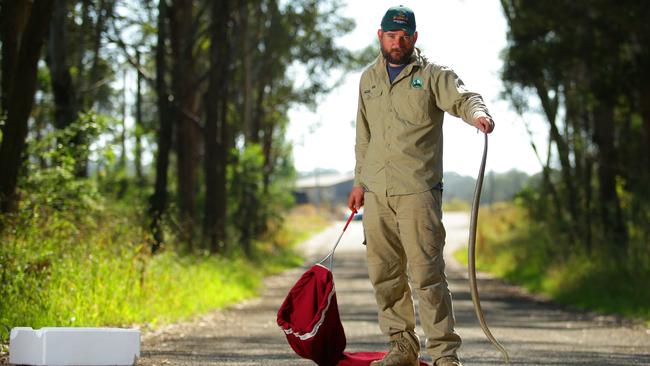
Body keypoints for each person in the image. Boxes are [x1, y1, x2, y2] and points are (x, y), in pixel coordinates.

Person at [347, 5, 495, 366]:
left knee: (428, 277)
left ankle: (445, 356)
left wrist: (479, 115)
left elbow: (463, 97)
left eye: (404, 36)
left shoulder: (432, 75)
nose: (397, 43)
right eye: (391, 36)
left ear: (414, 37)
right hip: (377, 195)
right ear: (379, 36)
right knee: (386, 276)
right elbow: (363, 138)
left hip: (419, 193)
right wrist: (359, 183)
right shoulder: (368, 79)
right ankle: (402, 347)